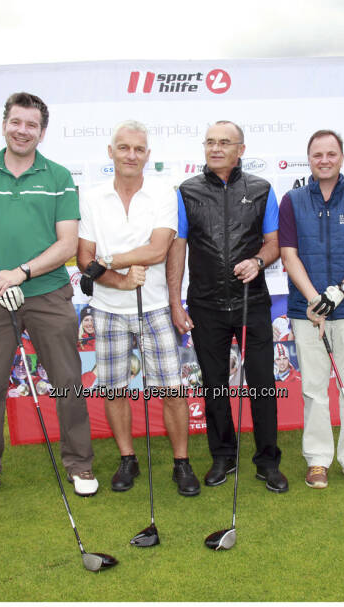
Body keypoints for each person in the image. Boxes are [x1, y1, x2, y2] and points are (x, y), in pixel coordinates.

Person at [0, 92, 97, 506]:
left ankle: (79, 463)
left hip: (48, 291)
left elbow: (67, 241)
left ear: (42, 131)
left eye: (31, 125)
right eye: (16, 122)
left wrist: (21, 272)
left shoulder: (57, 176)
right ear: (4, 125)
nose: (23, 130)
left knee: (68, 379)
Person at [77, 120, 200, 497]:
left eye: (139, 149)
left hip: (156, 307)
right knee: (114, 389)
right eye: (124, 147)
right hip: (108, 308)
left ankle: (182, 462)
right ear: (110, 151)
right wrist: (119, 279)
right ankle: (127, 458)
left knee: (172, 389)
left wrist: (108, 260)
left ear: (148, 155)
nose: (132, 155)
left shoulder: (164, 192)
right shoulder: (92, 195)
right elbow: (84, 258)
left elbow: (158, 249)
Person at [167, 120, 288, 493]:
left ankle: (267, 461)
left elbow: (274, 243)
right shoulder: (186, 192)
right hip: (205, 305)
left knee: (262, 384)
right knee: (215, 385)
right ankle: (223, 456)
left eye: (224, 142)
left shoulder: (262, 189)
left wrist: (259, 261)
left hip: (251, 303)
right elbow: (177, 250)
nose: (216, 148)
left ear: (241, 149)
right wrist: (176, 301)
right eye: (210, 142)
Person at [279, 129, 344, 489]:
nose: (324, 160)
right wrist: (313, 298)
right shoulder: (292, 200)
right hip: (306, 311)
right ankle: (318, 460)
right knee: (313, 388)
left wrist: (340, 291)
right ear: (309, 159)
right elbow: (288, 254)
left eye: (331, 154)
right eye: (317, 154)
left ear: (341, 157)